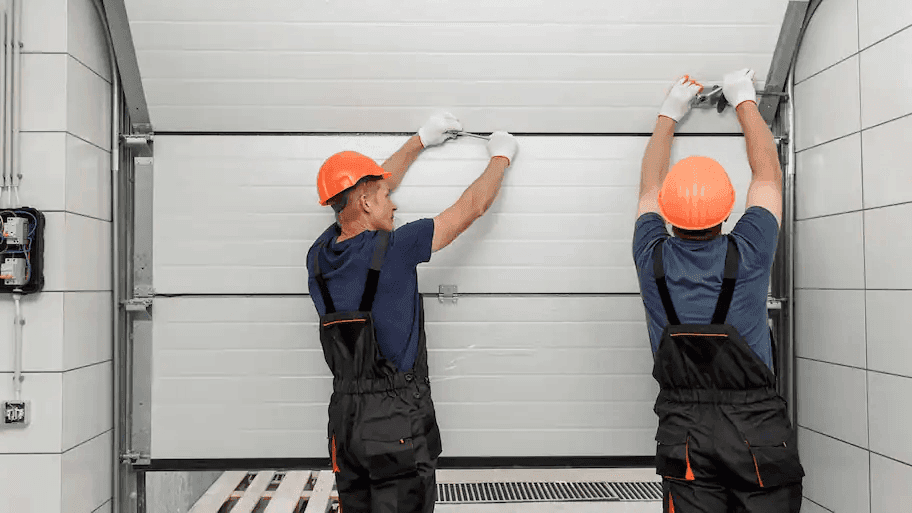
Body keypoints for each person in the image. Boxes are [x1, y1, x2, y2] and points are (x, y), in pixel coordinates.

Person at [307, 112, 518, 513]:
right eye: (385, 197)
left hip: (345, 422)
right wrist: (501, 157)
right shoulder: (396, 250)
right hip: (395, 421)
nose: (394, 201)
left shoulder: (319, 256)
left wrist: (419, 141)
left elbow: (364, 191)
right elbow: (472, 206)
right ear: (367, 202)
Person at [632, 70, 805, 512]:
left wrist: (669, 112)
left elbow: (649, 183)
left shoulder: (649, 254)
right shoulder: (749, 250)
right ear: (727, 210)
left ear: (668, 214)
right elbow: (767, 174)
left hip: (684, 429)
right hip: (756, 429)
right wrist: (744, 99)